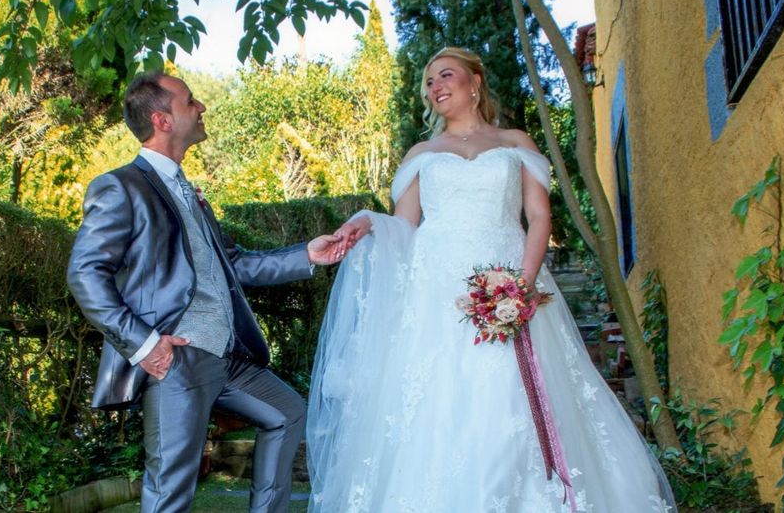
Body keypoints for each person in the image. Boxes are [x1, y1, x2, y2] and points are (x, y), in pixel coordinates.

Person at [306, 47, 677, 512]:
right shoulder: (422, 153)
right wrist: (364, 223)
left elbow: (539, 218)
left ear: (475, 81)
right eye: (428, 82)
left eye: (445, 75)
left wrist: (520, 286)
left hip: (507, 279)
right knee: (442, 401)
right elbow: (404, 228)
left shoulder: (515, 142)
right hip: (437, 293)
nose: (434, 87)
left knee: (511, 398)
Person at [67, 71, 349, 513]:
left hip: (228, 356)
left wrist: (306, 257)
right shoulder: (120, 187)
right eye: (190, 101)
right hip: (178, 359)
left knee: (289, 412)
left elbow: (233, 264)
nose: (201, 107)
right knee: (169, 494)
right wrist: (144, 346)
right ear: (162, 120)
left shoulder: (190, 193)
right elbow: (85, 274)